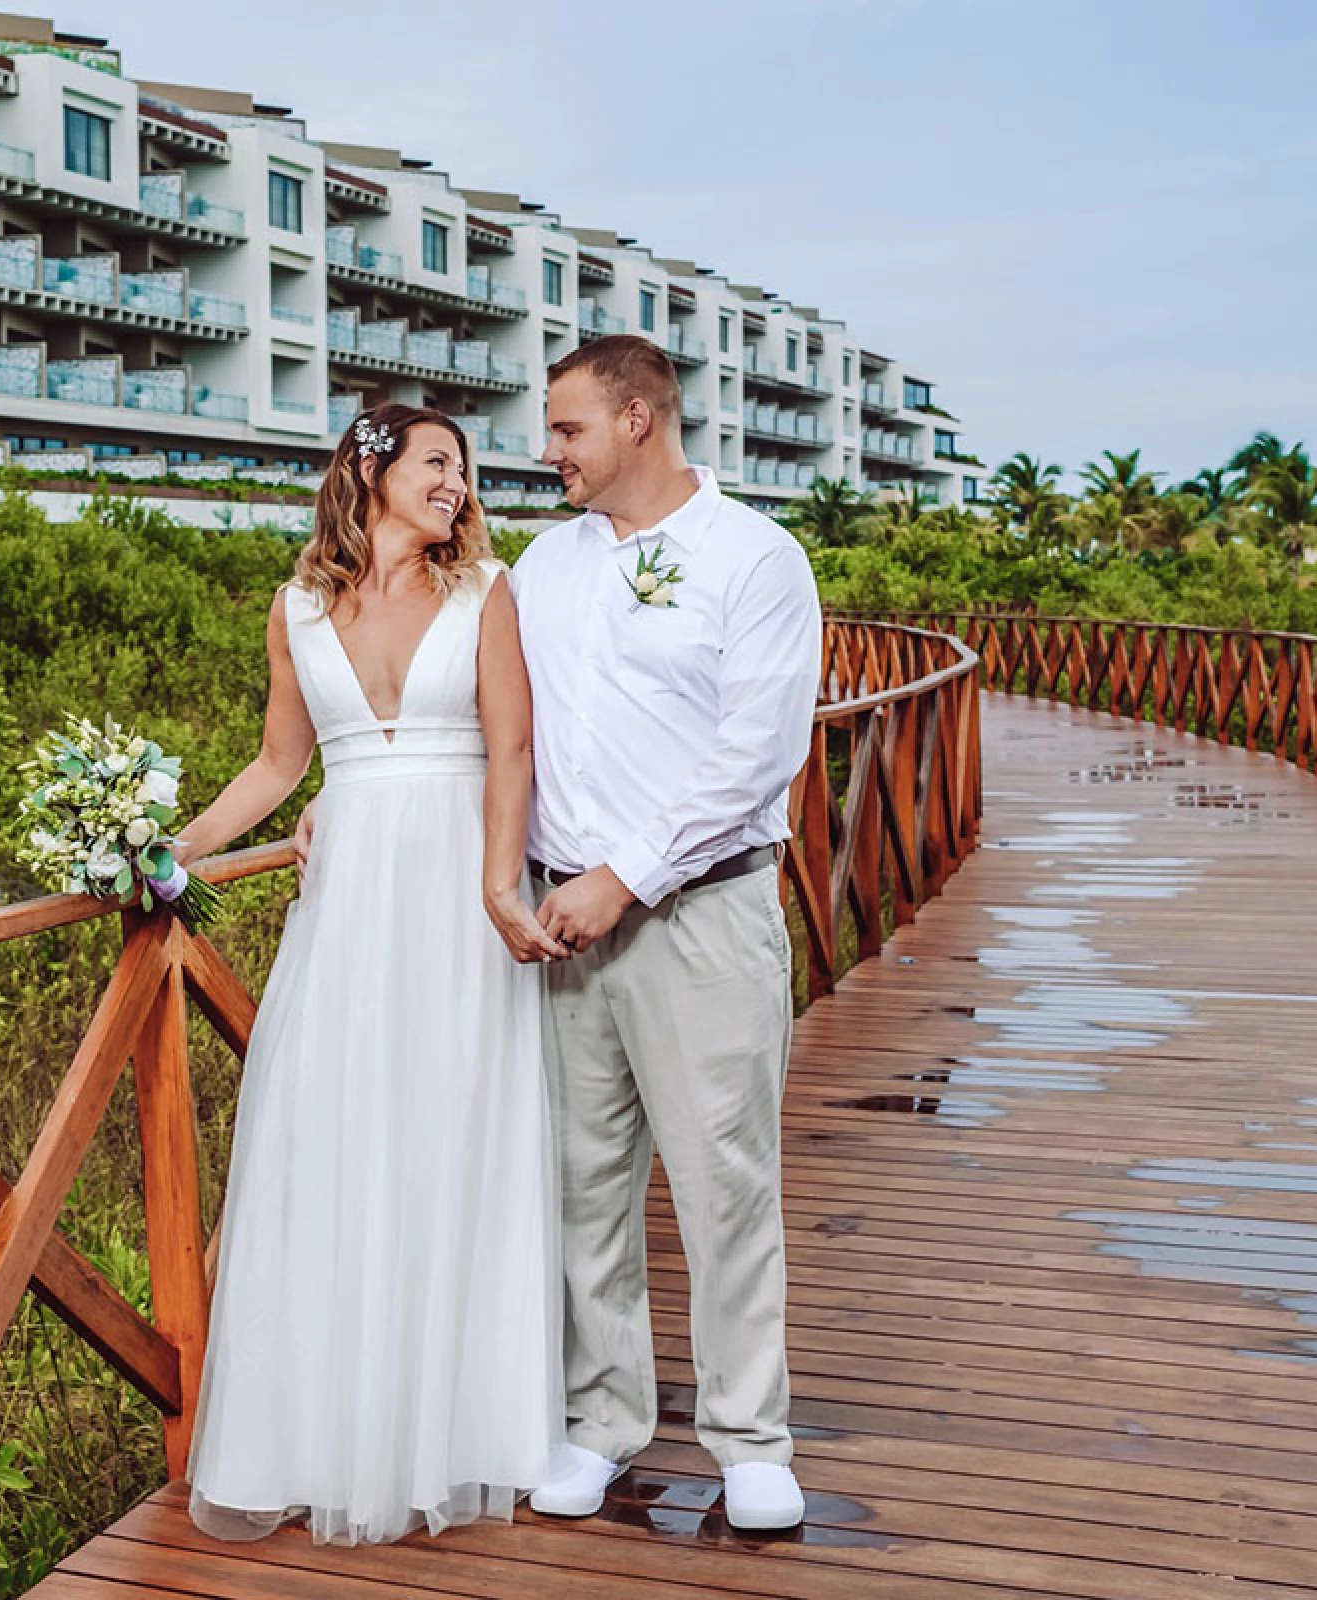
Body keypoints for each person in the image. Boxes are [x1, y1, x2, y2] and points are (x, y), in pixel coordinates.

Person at [171, 403, 567, 1547]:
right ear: (373, 469)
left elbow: (514, 746)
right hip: (347, 909)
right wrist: (168, 848)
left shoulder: (487, 592)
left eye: (463, 469)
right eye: (437, 462)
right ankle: (319, 1432)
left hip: (456, 892)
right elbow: (278, 764)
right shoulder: (294, 607)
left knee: (457, 1132)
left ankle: (470, 1428)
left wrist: (501, 885)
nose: (456, 483)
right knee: (332, 1138)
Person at [516, 334, 821, 1530]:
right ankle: (601, 1420)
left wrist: (623, 879)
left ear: (638, 418)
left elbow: (757, 750)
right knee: (583, 1184)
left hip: (700, 913)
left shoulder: (755, 557)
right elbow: (497, 721)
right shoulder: (541, 567)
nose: (550, 452)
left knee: (723, 1181)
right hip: (562, 922)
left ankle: (751, 1438)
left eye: (568, 428)